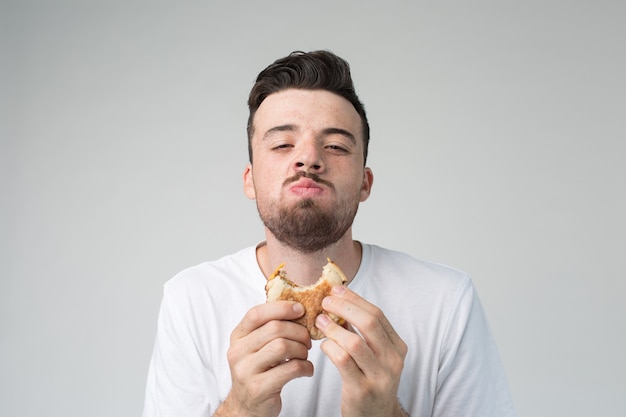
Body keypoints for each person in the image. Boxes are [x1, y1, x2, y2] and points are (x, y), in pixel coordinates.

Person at [142, 50, 516, 417]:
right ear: (250, 180)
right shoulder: (191, 298)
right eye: (282, 144)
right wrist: (242, 409)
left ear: (364, 183)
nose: (308, 158)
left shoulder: (446, 301)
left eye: (335, 146)